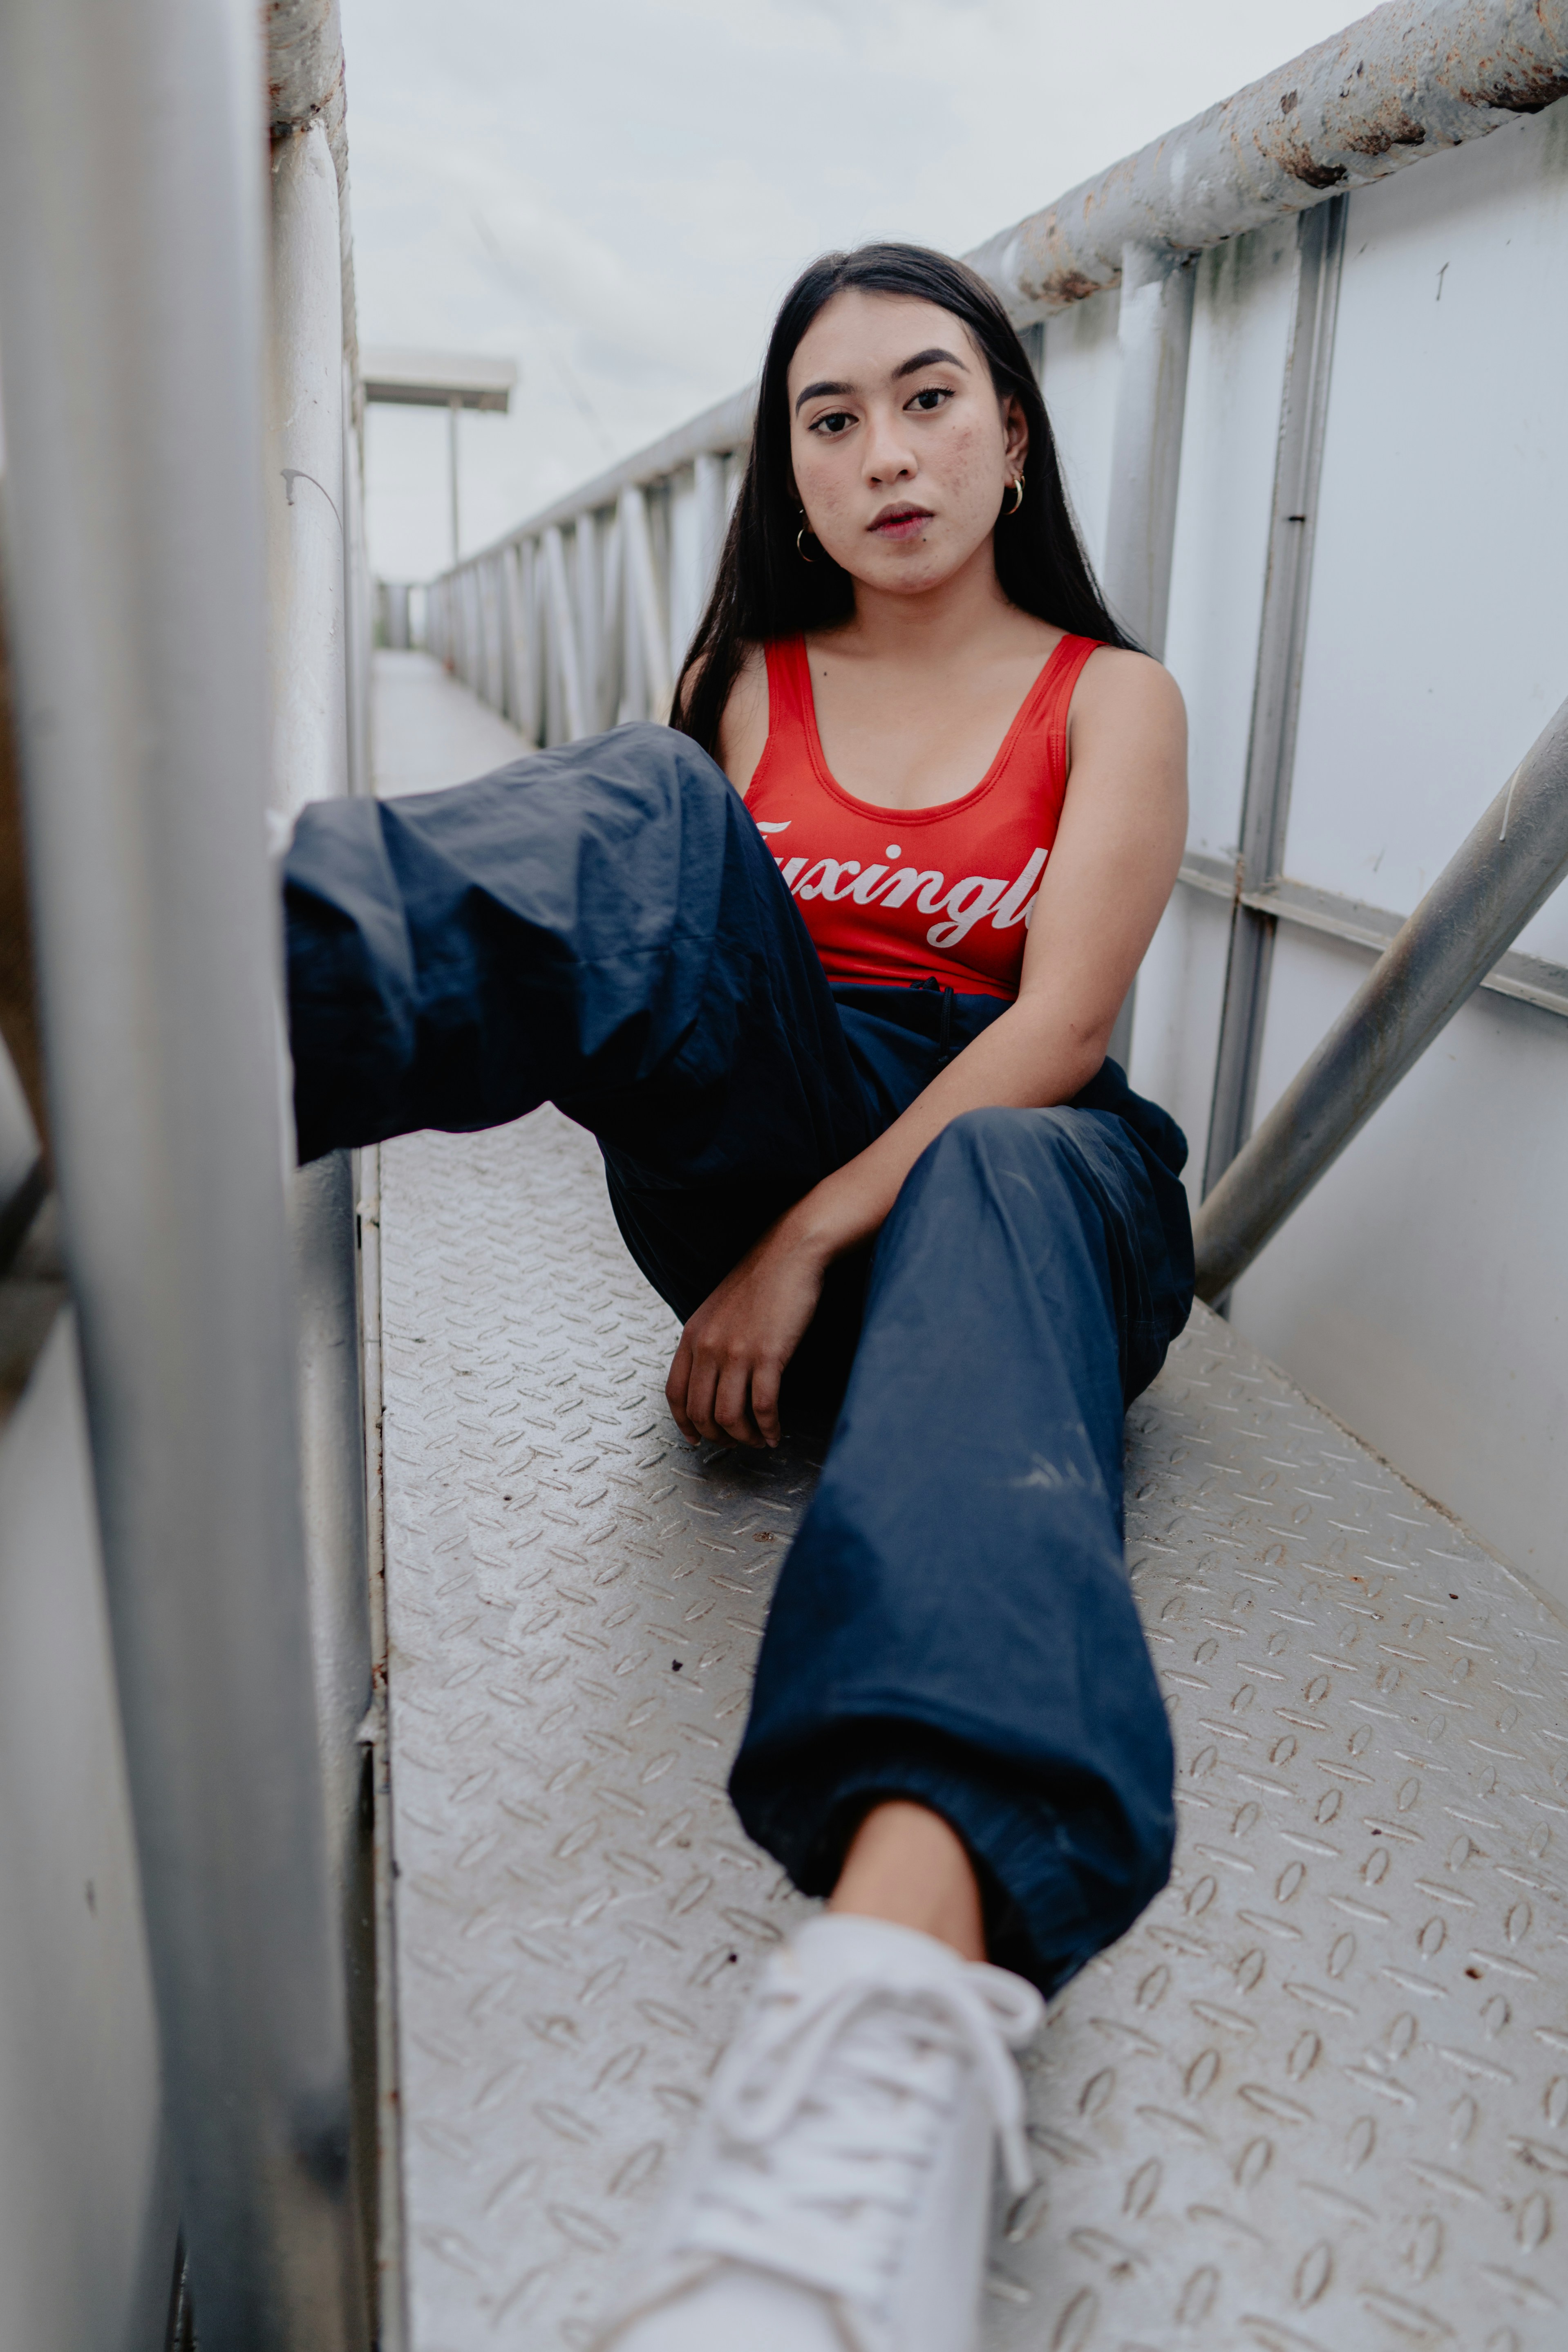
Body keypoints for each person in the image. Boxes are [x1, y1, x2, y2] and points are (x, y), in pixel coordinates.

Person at [284, 242, 1192, 2352]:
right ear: (789, 471)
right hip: (772, 1145)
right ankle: (224, 985)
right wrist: (765, 1215)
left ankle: (890, 2013)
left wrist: (805, 1242)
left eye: (930, 397)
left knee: (994, 1156)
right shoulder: (747, 684)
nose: (886, 453)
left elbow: (1057, 1032)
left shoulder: (1109, 698)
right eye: (830, 419)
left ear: (1013, 432)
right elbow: (658, 967)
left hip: (1026, 1190)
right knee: (651, 809)